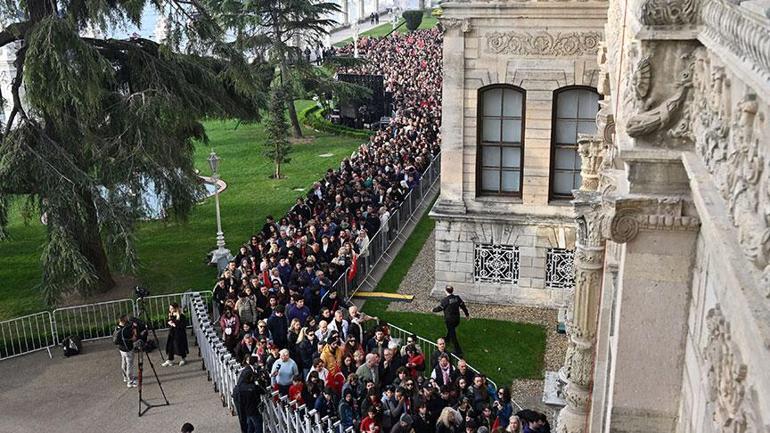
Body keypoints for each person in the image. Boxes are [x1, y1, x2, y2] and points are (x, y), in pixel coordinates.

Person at [432, 285, 470, 355]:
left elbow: (440, 308)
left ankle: (458, 351)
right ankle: (447, 338)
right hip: (457, 320)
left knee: (453, 336)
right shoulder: (457, 298)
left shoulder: (445, 300)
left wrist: (433, 310)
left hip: (449, 321)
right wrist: (467, 314)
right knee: (451, 330)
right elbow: (463, 306)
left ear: (446, 291)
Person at [112, 314, 137, 387]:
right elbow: (133, 338)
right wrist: (134, 333)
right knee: (130, 365)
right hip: (128, 349)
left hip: (121, 349)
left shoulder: (117, 328)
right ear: (124, 319)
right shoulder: (125, 330)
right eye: (126, 318)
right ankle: (130, 381)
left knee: (124, 362)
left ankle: (125, 377)